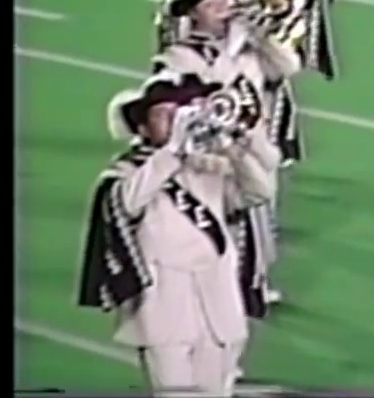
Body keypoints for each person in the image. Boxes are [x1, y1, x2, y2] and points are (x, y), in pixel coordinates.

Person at [76, 70, 279, 396]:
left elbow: (258, 193)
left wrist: (236, 148)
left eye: (182, 113)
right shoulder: (127, 171)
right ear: (142, 128)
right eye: (165, 115)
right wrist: (173, 151)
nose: (176, 121)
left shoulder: (210, 165)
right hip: (165, 308)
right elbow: (126, 202)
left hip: (217, 303)